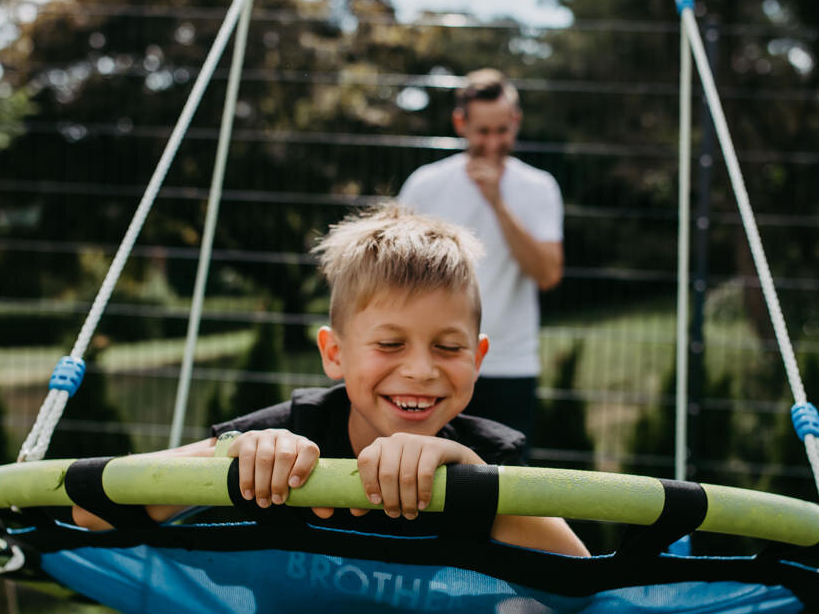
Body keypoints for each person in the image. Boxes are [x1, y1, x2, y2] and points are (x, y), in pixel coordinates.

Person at [74, 203, 586, 557]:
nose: (421, 370)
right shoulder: (289, 430)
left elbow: (578, 583)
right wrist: (228, 456)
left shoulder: (487, 452)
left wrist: (472, 479)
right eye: (389, 344)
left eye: (448, 348)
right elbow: (89, 515)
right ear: (334, 353)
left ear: (476, 358)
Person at [397, 68, 562, 459]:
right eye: (482, 132)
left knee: (506, 490)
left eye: (502, 131)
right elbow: (395, 274)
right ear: (461, 124)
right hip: (434, 365)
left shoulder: (539, 187)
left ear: (516, 123)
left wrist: (497, 202)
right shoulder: (425, 184)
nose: (492, 143)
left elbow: (548, 273)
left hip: (509, 365)